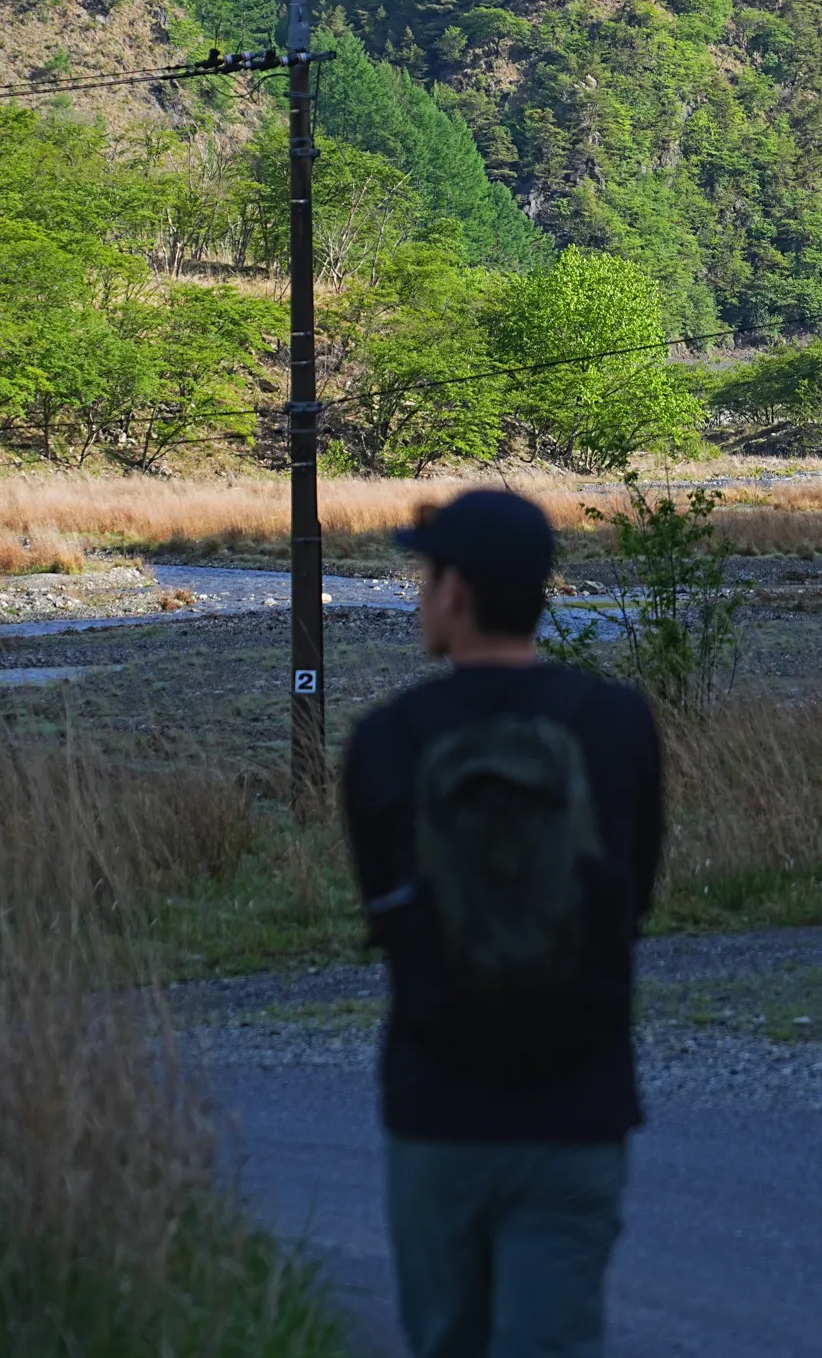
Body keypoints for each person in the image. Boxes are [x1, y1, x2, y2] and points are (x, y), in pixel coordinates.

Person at [343, 487, 663, 1358]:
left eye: (425, 575)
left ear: (455, 592)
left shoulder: (386, 739)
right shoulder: (616, 723)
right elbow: (632, 896)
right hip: (579, 1099)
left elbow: (383, 904)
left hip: (437, 1103)